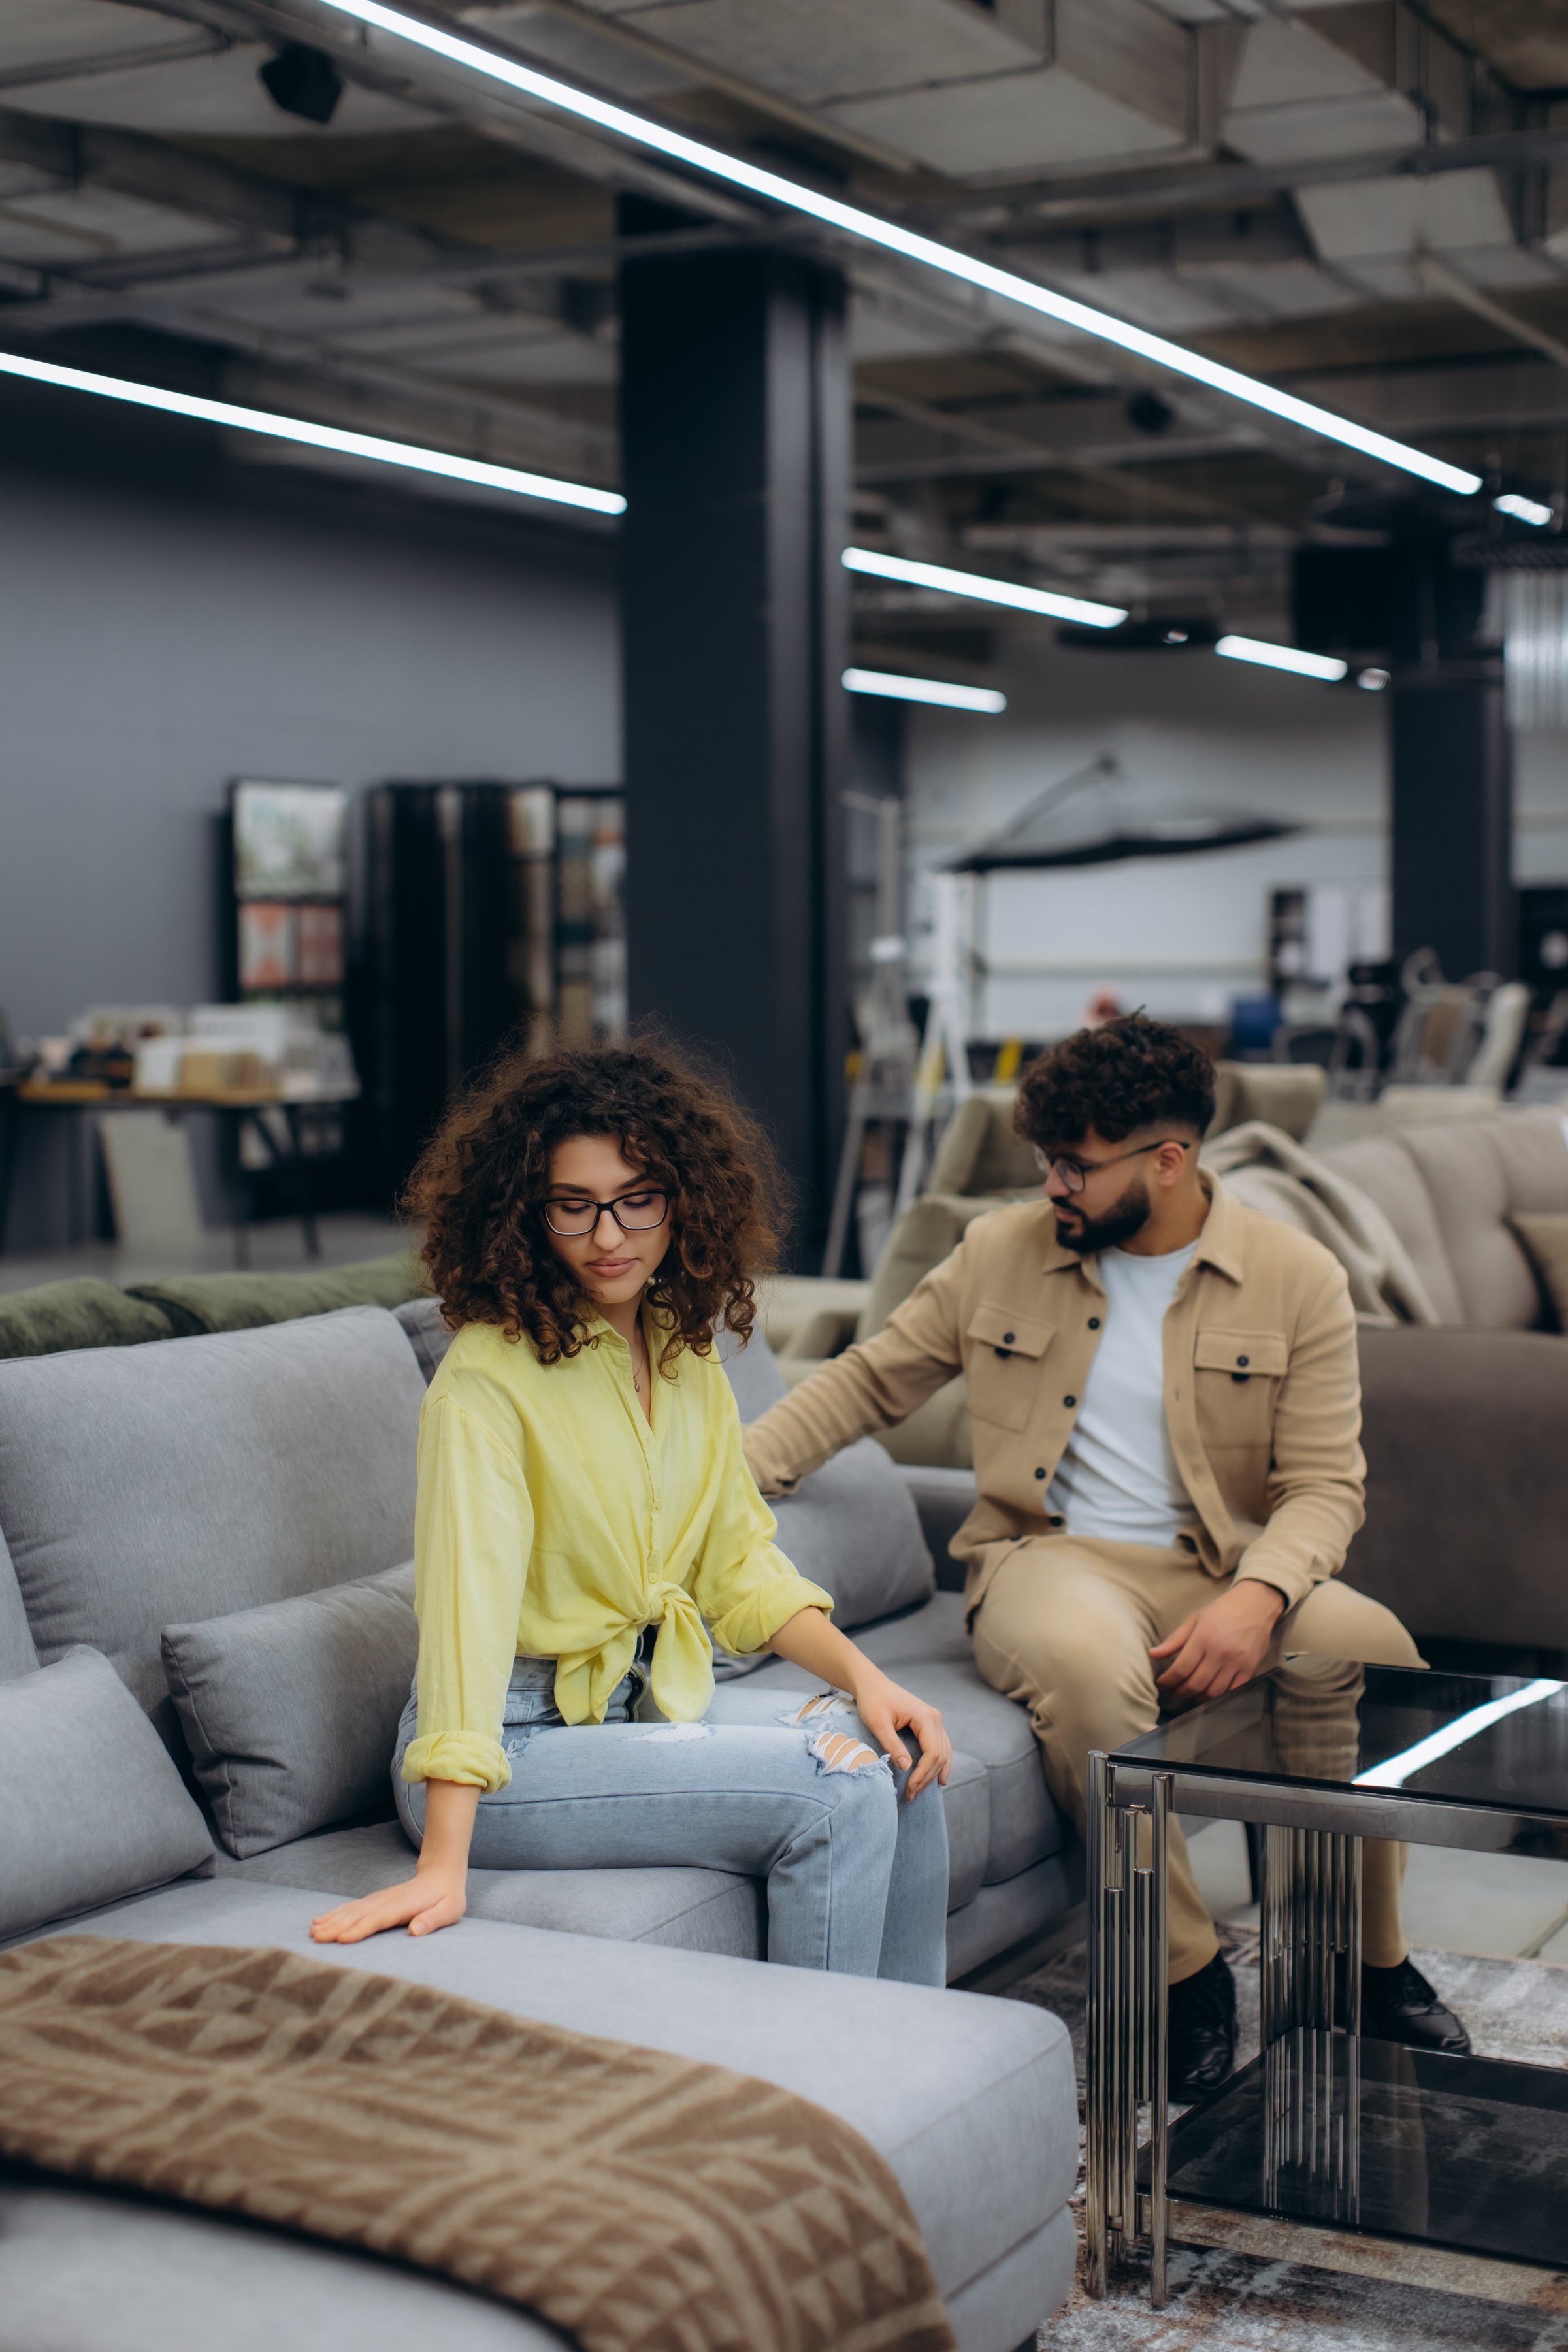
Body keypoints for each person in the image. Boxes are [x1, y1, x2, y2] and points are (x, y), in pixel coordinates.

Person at [741, 1014, 1468, 2092]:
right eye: (1046, 1161)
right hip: (1050, 1559)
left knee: (1368, 1641)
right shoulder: (1000, 1251)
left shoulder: (1296, 1276)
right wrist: (723, 1481)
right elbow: (867, 1381)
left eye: (1074, 1166)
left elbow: (1325, 1486)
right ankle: (1184, 1970)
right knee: (1089, 1670)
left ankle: (1359, 1961)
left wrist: (1259, 1597)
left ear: (1168, 1161)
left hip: (1221, 1563)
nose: (1052, 1187)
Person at [310, 1036, 952, 1983]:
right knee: (839, 1791)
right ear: (525, 1216)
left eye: (636, 1199)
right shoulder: (485, 1380)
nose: (609, 1237)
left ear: (682, 1200)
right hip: (512, 1749)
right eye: (573, 1206)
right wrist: (443, 1866)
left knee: (903, 1756)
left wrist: (868, 1680)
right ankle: (814, 2070)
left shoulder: (684, 1349)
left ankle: (913, 2061)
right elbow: (466, 1619)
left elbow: (740, 1567)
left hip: (630, 1709)